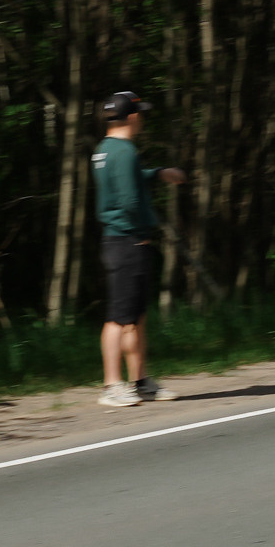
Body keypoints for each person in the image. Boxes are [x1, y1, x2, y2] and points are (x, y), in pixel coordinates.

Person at [93, 91, 187, 407]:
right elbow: (130, 200)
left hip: (117, 240)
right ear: (132, 117)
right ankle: (111, 386)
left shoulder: (105, 150)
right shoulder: (125, 152)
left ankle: (140, 381)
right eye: (140, 113)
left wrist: (158, 173)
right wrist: (144, 229)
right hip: (128, 241)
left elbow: (126, 182)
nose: (142, 119)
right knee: (118, 318)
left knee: (135, 316)